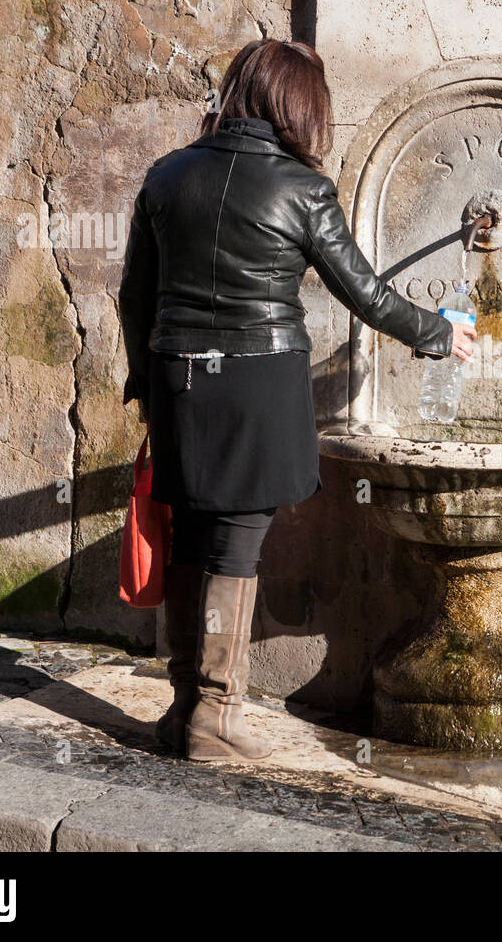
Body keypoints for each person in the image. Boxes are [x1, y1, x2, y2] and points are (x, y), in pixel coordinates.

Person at [118, 39, 475, 761]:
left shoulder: (165, 176)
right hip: (259, 386)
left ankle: (186, 705)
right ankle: (214, 717)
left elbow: (133, 298)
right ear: (299, 109)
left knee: (191, 536)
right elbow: (365, 293)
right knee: (236, 545)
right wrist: (437, 333)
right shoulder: (302, 190)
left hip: (177, 380)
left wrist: (143, 383)